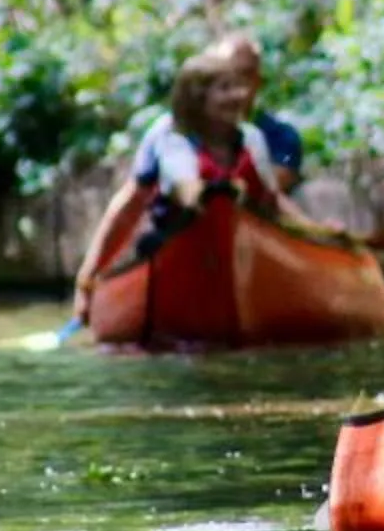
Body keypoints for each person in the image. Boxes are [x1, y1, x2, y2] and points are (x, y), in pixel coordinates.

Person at [73, 38, 303, 324]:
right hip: (180, 241)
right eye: (226, 87)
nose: (239, 95)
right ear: (197, 98)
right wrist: (88, 276)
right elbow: (180, 185)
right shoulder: (170, 138)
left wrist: (321, 235)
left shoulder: (255, 137)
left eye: (241, 83)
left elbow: (272, 199)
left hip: (251, 250)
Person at [214, 33, 306, 189]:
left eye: (245, 73)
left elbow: (270, 188)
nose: (236, 82)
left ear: (258, 80)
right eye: (226, 73)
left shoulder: (280, 135)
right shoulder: (190, 131)